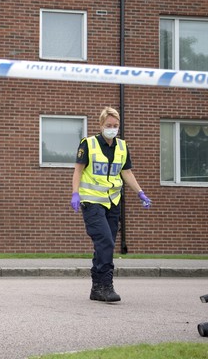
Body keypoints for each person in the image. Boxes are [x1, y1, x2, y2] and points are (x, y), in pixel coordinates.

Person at [71, 107, 151, 302]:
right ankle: (106, 285)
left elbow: (126, 173)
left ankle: (96, 288)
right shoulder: (88, 144)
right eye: (109, 125)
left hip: (113, 202)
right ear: (101, 125)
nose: (112, 129)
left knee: (106, 244)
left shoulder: (122, 147)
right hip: (91, 202)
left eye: (115, 126)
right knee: (105, 240)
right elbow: (78, 170)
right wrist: (75, 194)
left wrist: (140, 192)